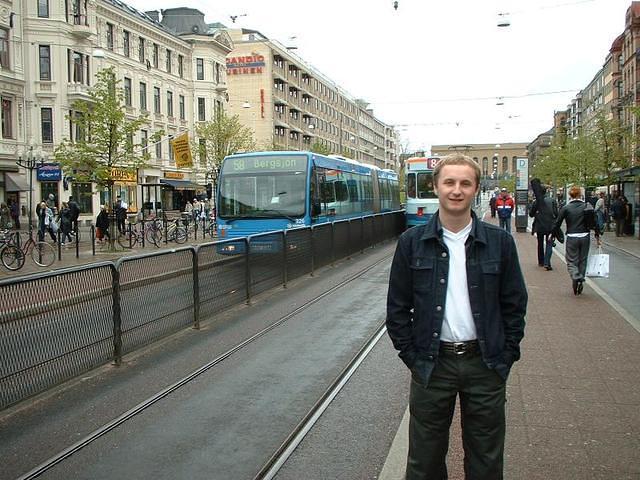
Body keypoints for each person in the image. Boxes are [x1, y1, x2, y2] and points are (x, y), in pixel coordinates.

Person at [386, 153, 527, 480]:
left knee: (486, 459)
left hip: (486, 363)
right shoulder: (411, 243)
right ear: (436, 186)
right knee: (424, 460)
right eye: (449, 182)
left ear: (476, 188)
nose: (456, 190)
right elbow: (397, 308)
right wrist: (411, 356)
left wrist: (507, 355)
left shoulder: (500, 242)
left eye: (465, 183)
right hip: (432, 364)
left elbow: (514, 303)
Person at [553, 185, 600, 295]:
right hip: (585, 236)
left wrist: (553, 234)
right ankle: (581, 279)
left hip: (572, 236)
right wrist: (598, 236)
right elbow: (595, 222)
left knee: (571, 260)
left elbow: (557, 223)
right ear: (580, 195)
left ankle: (575, 274)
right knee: (583, 259)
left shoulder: (566, 208)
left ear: (570, 195)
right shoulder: (587, 206)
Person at [530, 185, 558, 270]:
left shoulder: (537, 202)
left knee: (540, 243)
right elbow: (556, 214)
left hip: (540, 225)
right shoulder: (552, 200)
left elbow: (531, 214)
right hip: (550, 226)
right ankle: (547, 262)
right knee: (549, 243)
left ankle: (541, 261)